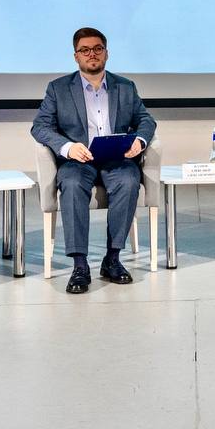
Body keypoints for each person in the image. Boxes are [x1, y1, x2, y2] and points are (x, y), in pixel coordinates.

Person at [32, 27, 157, 294]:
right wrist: (67, 147)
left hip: (116, 158)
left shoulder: (125, 86)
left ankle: (112, 259)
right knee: (72, 184)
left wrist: (140, 140)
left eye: (98, 49)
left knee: (129, 180)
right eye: (85, 50)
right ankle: (80, 265)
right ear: (76, 56)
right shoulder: (58, 88)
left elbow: (146, 120)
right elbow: (40, 127)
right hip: (78, 161)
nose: (92, 54)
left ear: (106, 53)